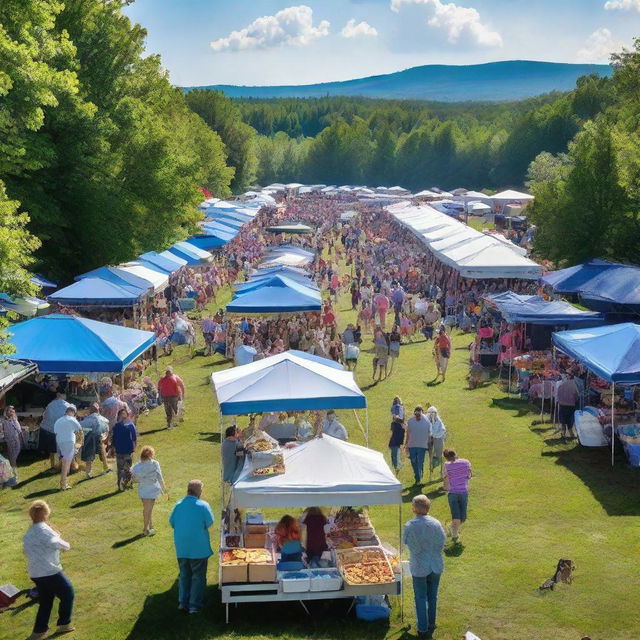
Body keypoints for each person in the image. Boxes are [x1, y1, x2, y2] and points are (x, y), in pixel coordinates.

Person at [23, 500, 75, 640]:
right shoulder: (44, 529)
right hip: (48, 571)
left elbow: (27, 550)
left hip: (35, 572)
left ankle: (38, 632)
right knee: (67, 593)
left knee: (46, 601)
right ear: (45, 513)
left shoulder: (30, 530)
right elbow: (57, 543)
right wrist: (64, 544)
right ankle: (64, 624)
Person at [169, 480, 214, 614]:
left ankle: (183, 603)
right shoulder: (203, 505)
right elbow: (210, 522)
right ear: (199, 491)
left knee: (184, 575)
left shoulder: (178, 505)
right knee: (198, 577)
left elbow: (172, 523)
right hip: (198, 548)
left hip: (182, 547)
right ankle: (194, 605)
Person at [403, 495, 445, 639]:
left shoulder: (410, 525)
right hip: (435, 563)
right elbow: (442, 542)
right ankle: (431, 623)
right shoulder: (436, 523)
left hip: (420, 565)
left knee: (421, 597)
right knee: (432, 596)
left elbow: (411, 546)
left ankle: (422, 628)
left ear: (415, 508)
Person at [131, 446, 166, 537]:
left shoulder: (137, 466)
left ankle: (150, 526)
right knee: (148, 509)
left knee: (147, 509)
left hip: (143, 489)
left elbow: (133, 479)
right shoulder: (155, 464)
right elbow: (160, 477)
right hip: (152, 489)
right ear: (151, 454)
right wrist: (164, 488)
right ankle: (145, 529)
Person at [442, 449, 472, 543]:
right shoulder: (466, 462)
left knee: (461, 518)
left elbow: (445, 478)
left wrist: (446, 487)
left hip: (459, 493)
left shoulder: (446, 465)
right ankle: (455, 537)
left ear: (446, 457)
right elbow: (469, 475)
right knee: (458, 518)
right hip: (457, 493)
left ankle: (451, 528)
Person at [39, 391, 71, 470]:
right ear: (60, 395)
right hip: (62, 430)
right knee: (61, 450)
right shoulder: (67, 405)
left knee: (52, 451)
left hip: (50, 429)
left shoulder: (50, 405)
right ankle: (61, 466)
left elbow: (45, 417)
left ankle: (53, 466)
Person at [53, 406, 83, 491]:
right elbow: (79, 429)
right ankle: (63, 483)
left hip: (59, 441)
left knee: (65, 461)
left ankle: (64, 481)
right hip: (68, 441)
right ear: (72, 413)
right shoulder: (72, 419)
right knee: (66, 462)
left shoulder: (59, 420)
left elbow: (55, 431)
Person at [80, 403, 110, 477]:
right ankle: (106, 467)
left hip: (90, 437)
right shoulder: (103, 419)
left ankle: (88, 473)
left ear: (90, 411)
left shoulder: (87, 419)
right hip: (100, 437)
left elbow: (81, 427)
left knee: (89, 455)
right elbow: (106, 428)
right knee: (102, 450)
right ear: (98, 410)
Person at [110, 408, 137, 491]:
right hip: (119, 451)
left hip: (128, 450)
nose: (122, 415)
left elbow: (134, 438)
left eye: (124, 413)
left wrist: (134, 447)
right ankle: (119, 485)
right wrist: (112, 448)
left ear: (127, 415)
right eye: (121, 414)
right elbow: (113, 439)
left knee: (127, 468)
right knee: (120, 469)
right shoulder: (116, 426)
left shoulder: (130, 425)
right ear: (118, 416)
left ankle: (128, 484)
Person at [405, 406, 431, 485]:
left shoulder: (427, 422)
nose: (417, 416)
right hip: (412, 445)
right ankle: (417, 477)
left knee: (420, 462)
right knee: (413, 462)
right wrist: (406, 444)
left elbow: (430, 434)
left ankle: (419, 478)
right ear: (414, 414)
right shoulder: (410, 421)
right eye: (416, 414)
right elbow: (408, 433)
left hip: (422, 446)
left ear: (422, 413)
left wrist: (429, 445)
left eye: (419, 414)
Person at [1, 406, 25, 482]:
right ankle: (14, 474)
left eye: (12, 411)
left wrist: (22, 431)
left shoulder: (14, 419)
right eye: (10, 411)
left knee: (14, 455)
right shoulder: (3, 421)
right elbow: (1, 431)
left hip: (17, 439)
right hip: (9, 440)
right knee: (12, 458)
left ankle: (11, 472)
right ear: (6, 412)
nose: (11, 412)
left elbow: (18, 428)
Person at [556, 374, 579, 439]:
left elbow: (558, 393)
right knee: (569, 419)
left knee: (563, 420)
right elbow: (576, 395)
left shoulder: (562, 384)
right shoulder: (574, 385)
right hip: (571, 404)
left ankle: (563, 433)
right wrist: (576, 400)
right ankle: (571, 433)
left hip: (562, 404)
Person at [426, 406, 446, 479]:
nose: (432, 414)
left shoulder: (439, 421)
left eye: (434, 412)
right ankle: (431, 468)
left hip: (437, 439)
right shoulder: (426, 420)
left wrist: (435, 434)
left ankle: (438, 469)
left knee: (438, 455)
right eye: (430, 412)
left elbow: (442, 430)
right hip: (429, 439)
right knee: (430, 455)